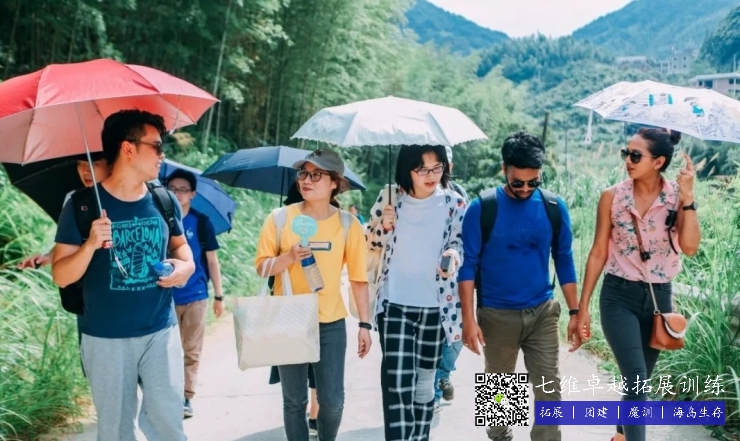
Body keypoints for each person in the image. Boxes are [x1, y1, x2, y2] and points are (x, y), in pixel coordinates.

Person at [51, 109, 195, 441]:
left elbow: (181, 248)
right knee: (115, 431)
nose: (162, 155)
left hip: (160, 330)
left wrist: (185, 268)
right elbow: (61, 276)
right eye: (156, 146)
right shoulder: (82, 206)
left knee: (169, 426)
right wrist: (90, 244)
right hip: (105, 338)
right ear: (128, 148)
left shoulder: (163, 199)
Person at [576, 128, 700, 441]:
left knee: (638, 383)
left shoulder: (676, 198)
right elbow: (598, 252)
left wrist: (688, 198)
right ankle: (499, 430)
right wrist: (582, 307)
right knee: (636, 381)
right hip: (618, 296)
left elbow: (690, 247)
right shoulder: (612, 196)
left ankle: (620, 435)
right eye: (626, 153)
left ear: (658, 162)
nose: (627, 160)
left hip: (659, 300)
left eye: (635, 155)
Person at [459, 130, 579, 441]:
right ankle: (500, 436)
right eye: (517, 182)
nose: (525, 188)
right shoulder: (482, 208)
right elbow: (467, 266)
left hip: (542, 312)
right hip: (497, 315)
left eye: (533, 182)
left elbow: (564, 259)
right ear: (504, 169)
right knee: (500, 393)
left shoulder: (553, 207)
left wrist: (576, 311)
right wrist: (468, 320)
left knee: (549, 388)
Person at [254, 148, 372, 441]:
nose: (306, 180)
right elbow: (262, 267)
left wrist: (365, 324)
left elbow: (358, 278)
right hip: (289, 320)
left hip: (330, 322)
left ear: (335, 183)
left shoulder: (348, 224)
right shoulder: (280, 218)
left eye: (316, 174)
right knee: (294, 401)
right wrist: (289, 257)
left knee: (332, 401)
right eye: (303, 173)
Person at [366, 144, 466, 441]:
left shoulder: (455, 202)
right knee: (398, 383)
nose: (431, 175)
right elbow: (370, 243)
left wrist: (453, 256)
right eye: (423, 169)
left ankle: (421, 436)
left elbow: (460, 244)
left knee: (425, 383)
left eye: (437, 168)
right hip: (395, 303)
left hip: (436, 307)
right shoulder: (390, 198)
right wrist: (384, 226)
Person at [165, 168, 224, 419]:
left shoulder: (201, 222)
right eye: (172, 189)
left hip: (196, 296)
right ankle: (168, 396)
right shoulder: (160, 220)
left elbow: (212, 261)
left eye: (182, 190)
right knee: (167, 351)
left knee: (191, 349)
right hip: (165, 297)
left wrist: (219, 296)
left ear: (192, 194)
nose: (177, 194)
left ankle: (186, 396)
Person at [17, 153, 111, 270]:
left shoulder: (127, 198)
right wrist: (50, 256)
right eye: (80, 163)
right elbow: (69, 241)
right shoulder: (74, 199)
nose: (85, 170)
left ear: (112, 166)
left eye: (94, 164)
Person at [433, 145, 469, 412]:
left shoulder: (460, 198)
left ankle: (443, 374)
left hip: (455, 284)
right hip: (427, 286)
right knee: (500, 366)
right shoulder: (407, 197)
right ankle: (434, 390)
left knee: (454, 339)